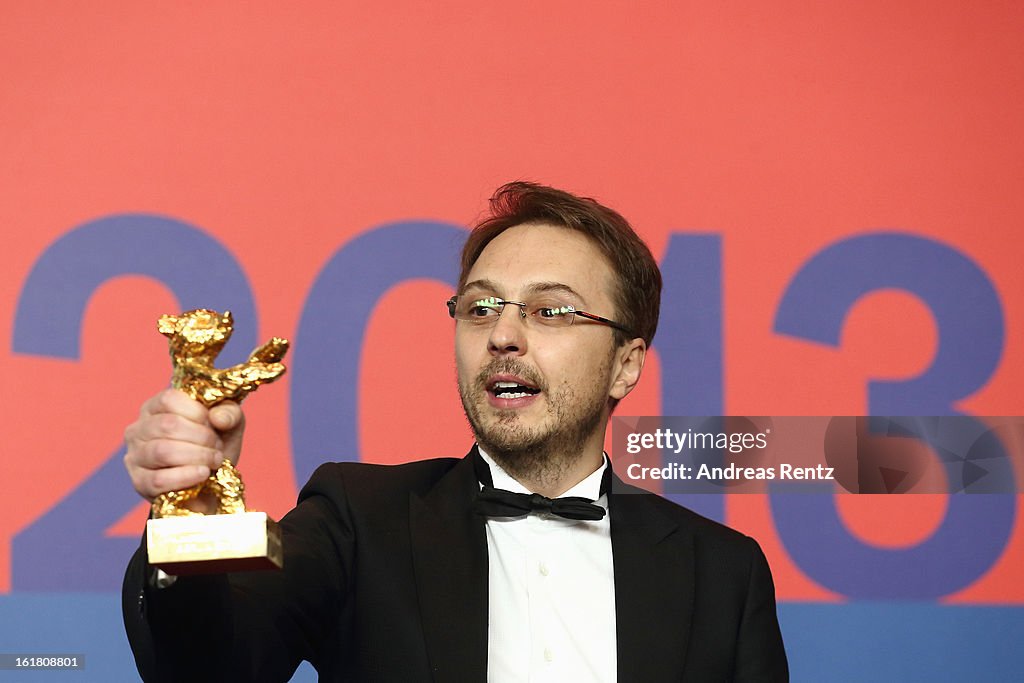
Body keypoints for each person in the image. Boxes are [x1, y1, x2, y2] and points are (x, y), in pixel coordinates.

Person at [122, 182, 788, 682]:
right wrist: (192, 528)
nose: (502, 334)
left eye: (551, 309)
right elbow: (205, 667)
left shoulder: (722, 575)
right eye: (480, 307)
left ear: (625, 363)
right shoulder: (358, 521)